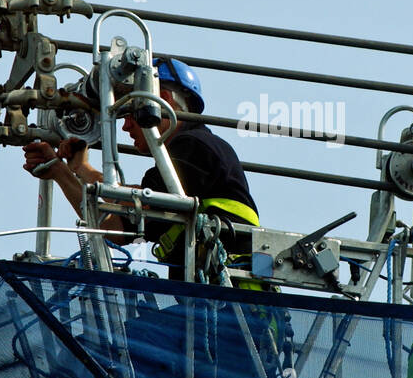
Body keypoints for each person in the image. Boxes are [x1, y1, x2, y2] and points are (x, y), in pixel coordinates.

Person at [22, 56, 260, 271]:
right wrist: (64, 172)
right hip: (213, 303)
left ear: (162, 101)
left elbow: (142, 203)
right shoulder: (179, 173)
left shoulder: (195, 145)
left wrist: (87, 171)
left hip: (229, 299)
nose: (125, 127)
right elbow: (113, 229)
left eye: (129, 113)